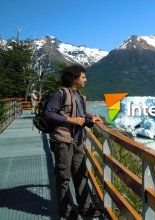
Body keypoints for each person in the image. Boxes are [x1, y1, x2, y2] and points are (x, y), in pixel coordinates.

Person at [44, 64, 103, 219]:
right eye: (83, 77)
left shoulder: (78, 94)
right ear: (74, 78)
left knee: (81, 174)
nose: (86, 80)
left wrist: (91, 117)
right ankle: (67, 211)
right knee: (63, 177)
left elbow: (82, 113)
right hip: (63, 141)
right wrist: (71, 120)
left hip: (78, 140)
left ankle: (85, 208)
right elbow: (48, 113)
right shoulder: (60, 93)